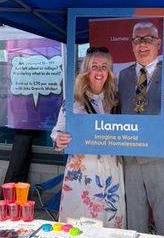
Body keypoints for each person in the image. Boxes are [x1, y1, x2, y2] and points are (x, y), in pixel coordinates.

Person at [116, 20, 164, 237]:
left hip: (161, 160)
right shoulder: (122, 76)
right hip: (131, 161)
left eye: (148, 39)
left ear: (158, 44)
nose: (142, 44)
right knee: (134, 225)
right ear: (132, 45)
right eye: (137, 40)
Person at [51, 46, 125, 227]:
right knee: (80, 224)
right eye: (94, 66)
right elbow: (57, 131)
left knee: (110, 224)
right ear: (86, 70)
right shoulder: (73, 101)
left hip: (111, 172)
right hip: (83, 173)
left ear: (109, 71)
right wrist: (59, 139)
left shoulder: (116, 100)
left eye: (104, 67)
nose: (99, 72)